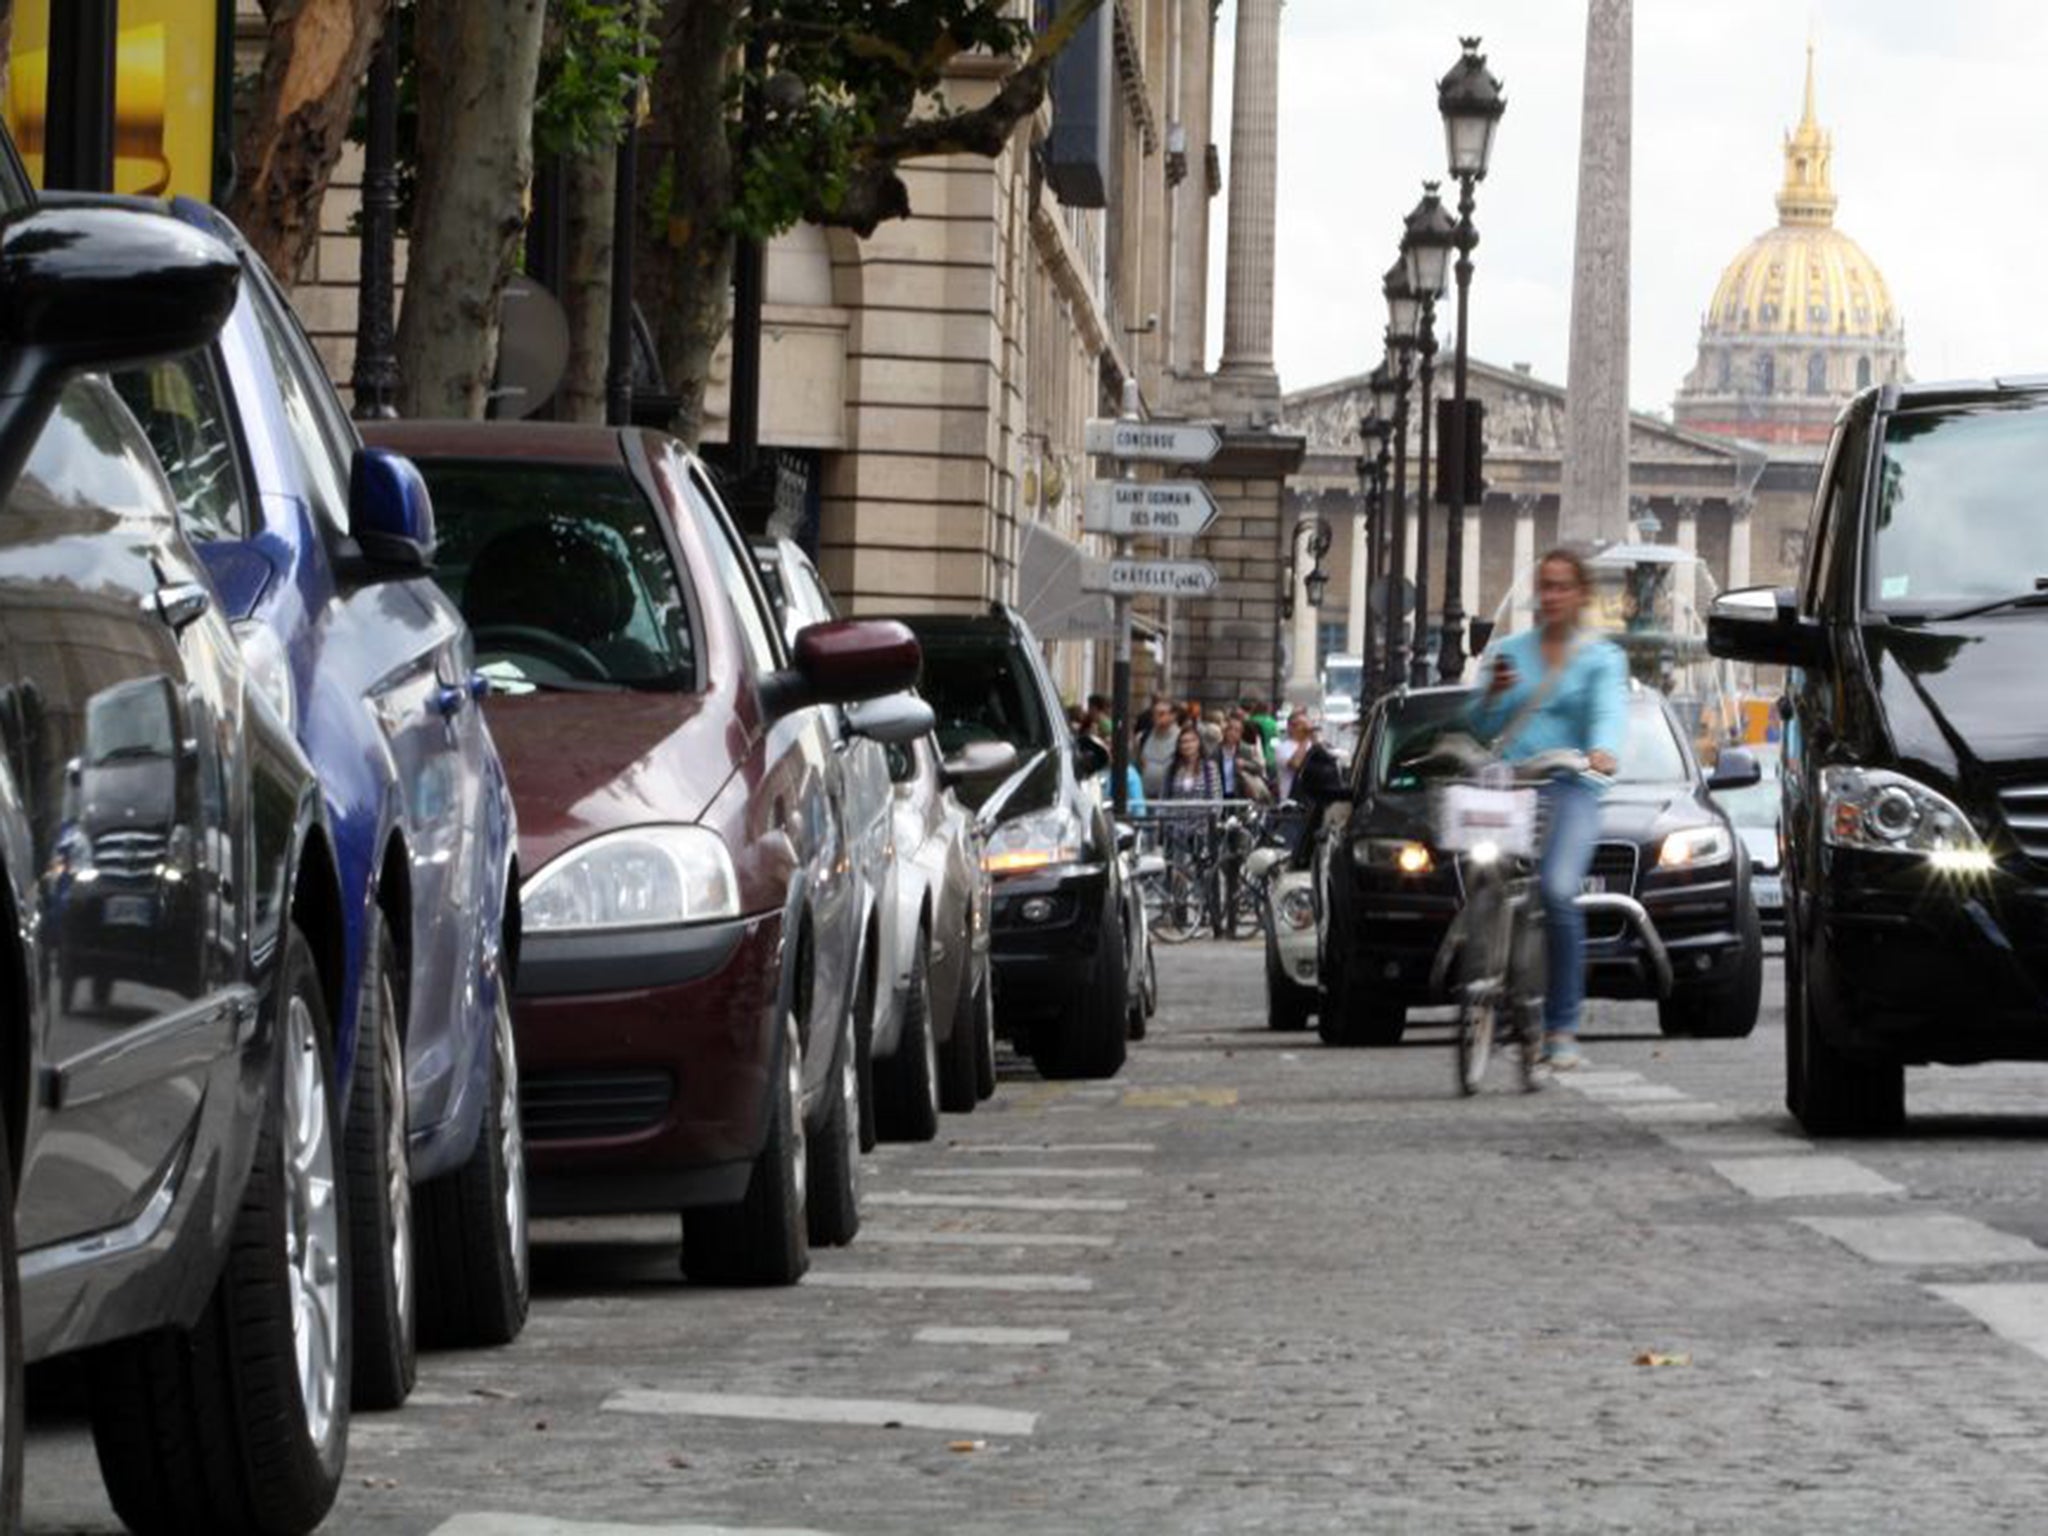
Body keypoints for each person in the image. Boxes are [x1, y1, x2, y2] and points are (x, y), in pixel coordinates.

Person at [1464, 546, 1628, 1072]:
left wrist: (1602, 751)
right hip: (1512, 785)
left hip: (1573, 785)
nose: (1552, 595)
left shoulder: (1602, 658)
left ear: (1581, 594)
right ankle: (1482, 972)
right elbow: (1478, 726)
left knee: (1557, 890)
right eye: (1546, 585)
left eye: (1562, 586)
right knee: (1484, 874)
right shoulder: (1509, 651)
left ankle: (1561, 1025)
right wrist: (1492, 695)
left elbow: (1607, 714)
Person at [1216, 717, 1270, 804]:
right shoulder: (1216, 751)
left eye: (1237, 730)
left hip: (1240, 793)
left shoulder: (1246, 750)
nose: (1232, 733)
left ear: (1241, 734)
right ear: (1224, 731)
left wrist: (1245, 764)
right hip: (1221, 793)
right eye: (1230, 729)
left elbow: (1259, 768)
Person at [1135, 697, 1181, 799]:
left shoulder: (1181, 739)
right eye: (1154, 714)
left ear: (1173, 716)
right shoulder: (1144, 737)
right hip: (1146, 797)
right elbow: (1139, 764)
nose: (1156, 717)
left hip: (1171, 798)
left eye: (1161, 713)